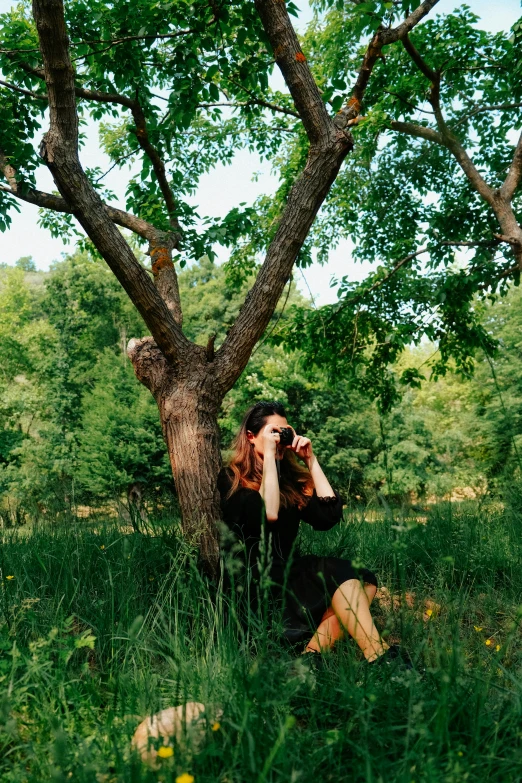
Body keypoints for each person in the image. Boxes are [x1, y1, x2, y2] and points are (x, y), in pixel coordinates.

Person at [218, 401, 406, 665]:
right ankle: (382, 658)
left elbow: (328, 517)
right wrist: (270, 457)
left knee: (362, 580)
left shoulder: (291, 482)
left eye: (285, 432)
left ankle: (315, 658)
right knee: (340, 577)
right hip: (253, 584)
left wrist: (310, 459)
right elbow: (267, 514)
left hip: (288, 571)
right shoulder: (231, 478)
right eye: (273, 432)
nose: (280, 439)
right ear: (251, 437)